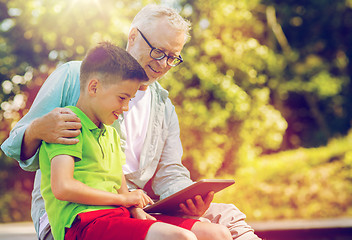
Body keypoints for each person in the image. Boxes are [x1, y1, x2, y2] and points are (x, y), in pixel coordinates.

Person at [1, 4, 261, 240]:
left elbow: (170, 175)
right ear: (133, 36)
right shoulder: (77, 75)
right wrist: (37, 130)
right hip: (79, 214)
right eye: (159, 51)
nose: (163, 64)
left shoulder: (163, 107)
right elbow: (19, 147)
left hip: (134, 208)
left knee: (226, 219)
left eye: (173, 57)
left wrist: (191, 200)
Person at [39, 41, 232, 240]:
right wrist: (122, 199)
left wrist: (136, 211)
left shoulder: (111, 134)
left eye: (130, 100)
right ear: (94, 87)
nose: (125, 108)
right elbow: (63, 187)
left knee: (217, 233)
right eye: (122, 98)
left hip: (117, 216)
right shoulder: (66, 124)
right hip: (83, 224)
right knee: (182, 238)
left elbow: (121, 187)